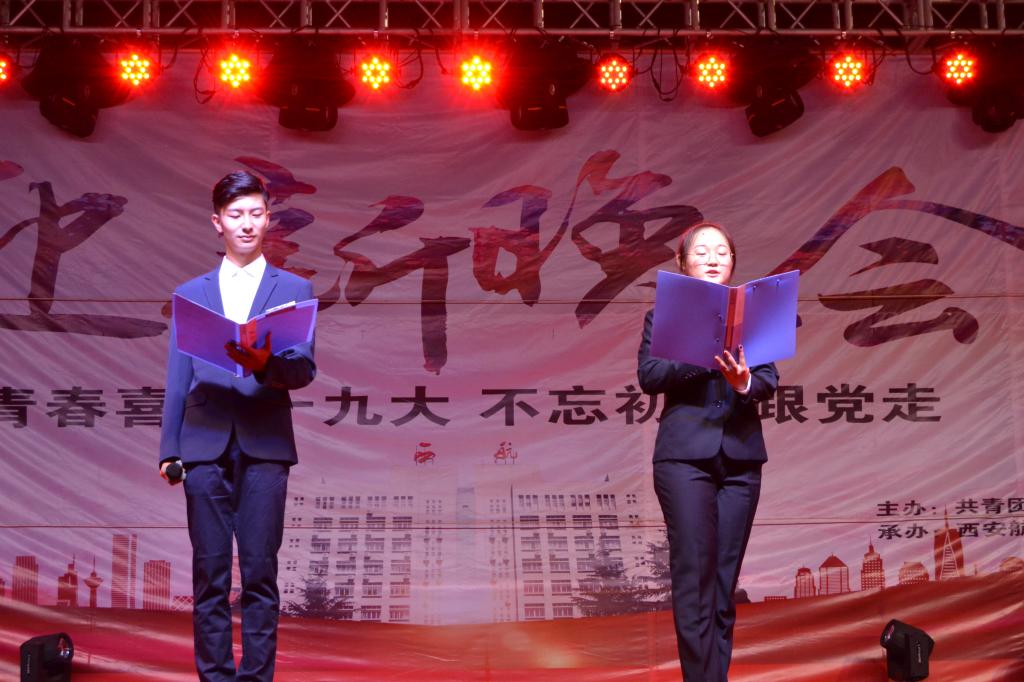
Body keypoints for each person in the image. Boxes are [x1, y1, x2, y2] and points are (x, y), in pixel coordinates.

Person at [158, 171, 316, 682]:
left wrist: (266, 364)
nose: (246, 224)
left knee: (260, 573)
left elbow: (303, 370)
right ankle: (215, 677)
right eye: (235, 214)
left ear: (268, 220)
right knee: (209, 575)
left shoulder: (293, 288)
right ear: (217, 223)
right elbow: (177, 377)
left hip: (265, 444)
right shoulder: (191, 293)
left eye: (255, 213)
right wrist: (169, 448)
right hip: (203, 443)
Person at [637, 222, 779, 682]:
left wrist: (744, 382)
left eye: (722, 252)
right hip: (684, 459)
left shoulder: (753, 314)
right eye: (701, 252)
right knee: (694, 577)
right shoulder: (664, 316)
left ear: (733, 262)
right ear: (682, 264)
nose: (713, 258)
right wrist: (702, 353)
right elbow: (650, 376)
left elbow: (767, 381)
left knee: (723, 581)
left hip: (741, 459)